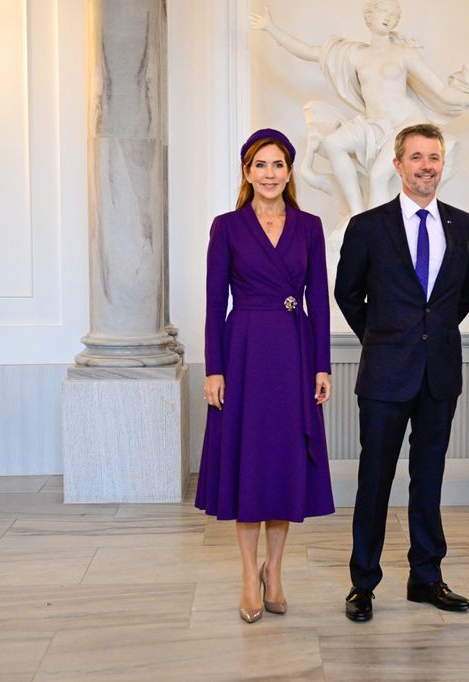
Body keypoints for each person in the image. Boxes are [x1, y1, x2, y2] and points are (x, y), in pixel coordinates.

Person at [334, 123, 469, 622]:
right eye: (416, 157)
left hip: (438, 372)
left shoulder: (464, 226)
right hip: (384, 374)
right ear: (398, 164)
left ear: (443, 164)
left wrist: (431, 332)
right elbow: (348, 294)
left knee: (430, 477)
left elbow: (463, 295)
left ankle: (426, 577)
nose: (426, 166)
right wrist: (383, 335)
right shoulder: (368, 226)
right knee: (374, 479)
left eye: (434, 157)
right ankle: (363, 583)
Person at [195, 128, 335, 624]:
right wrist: (214, 368)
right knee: (249, 463)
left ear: (289, 171)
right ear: (247, 172)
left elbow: (318, 299)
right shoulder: (227, 226)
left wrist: (322, 364)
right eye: (261, 165)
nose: (270, 174)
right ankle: (246, 572)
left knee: (283, 463)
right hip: (245, 352)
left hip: (295, 354)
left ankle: (274, 572)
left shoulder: (310, 226)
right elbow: (214, 304)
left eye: (278, 165)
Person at [250, 0, 469, 216]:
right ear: (369, 16)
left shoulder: (404, 53)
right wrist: (270, 28)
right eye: (385, 12)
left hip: (406, 124)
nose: (390, 17)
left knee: (379, 177)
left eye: (395, 15)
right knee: (334, 144)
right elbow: (308, 52)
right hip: (375, 125)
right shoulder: (354, 54)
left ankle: (377, 236)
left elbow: (440, 90)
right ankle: (358, 214)